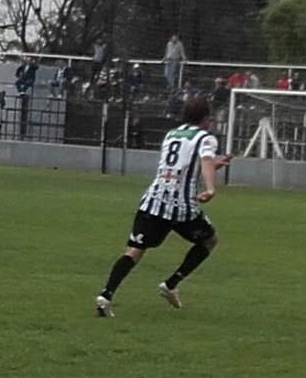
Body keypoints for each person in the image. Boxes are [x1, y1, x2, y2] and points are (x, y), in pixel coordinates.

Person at [95, 95, 228, 317]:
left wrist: (214, 166)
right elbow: (204, 161)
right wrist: (211, 187)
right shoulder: (206, 138)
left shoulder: (171, 135)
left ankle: (105, 296)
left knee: (134, 251)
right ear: (205, 119)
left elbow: (183, 165)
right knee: (209, 240)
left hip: (153, 201)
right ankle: (171, 284)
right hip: (181, 206)